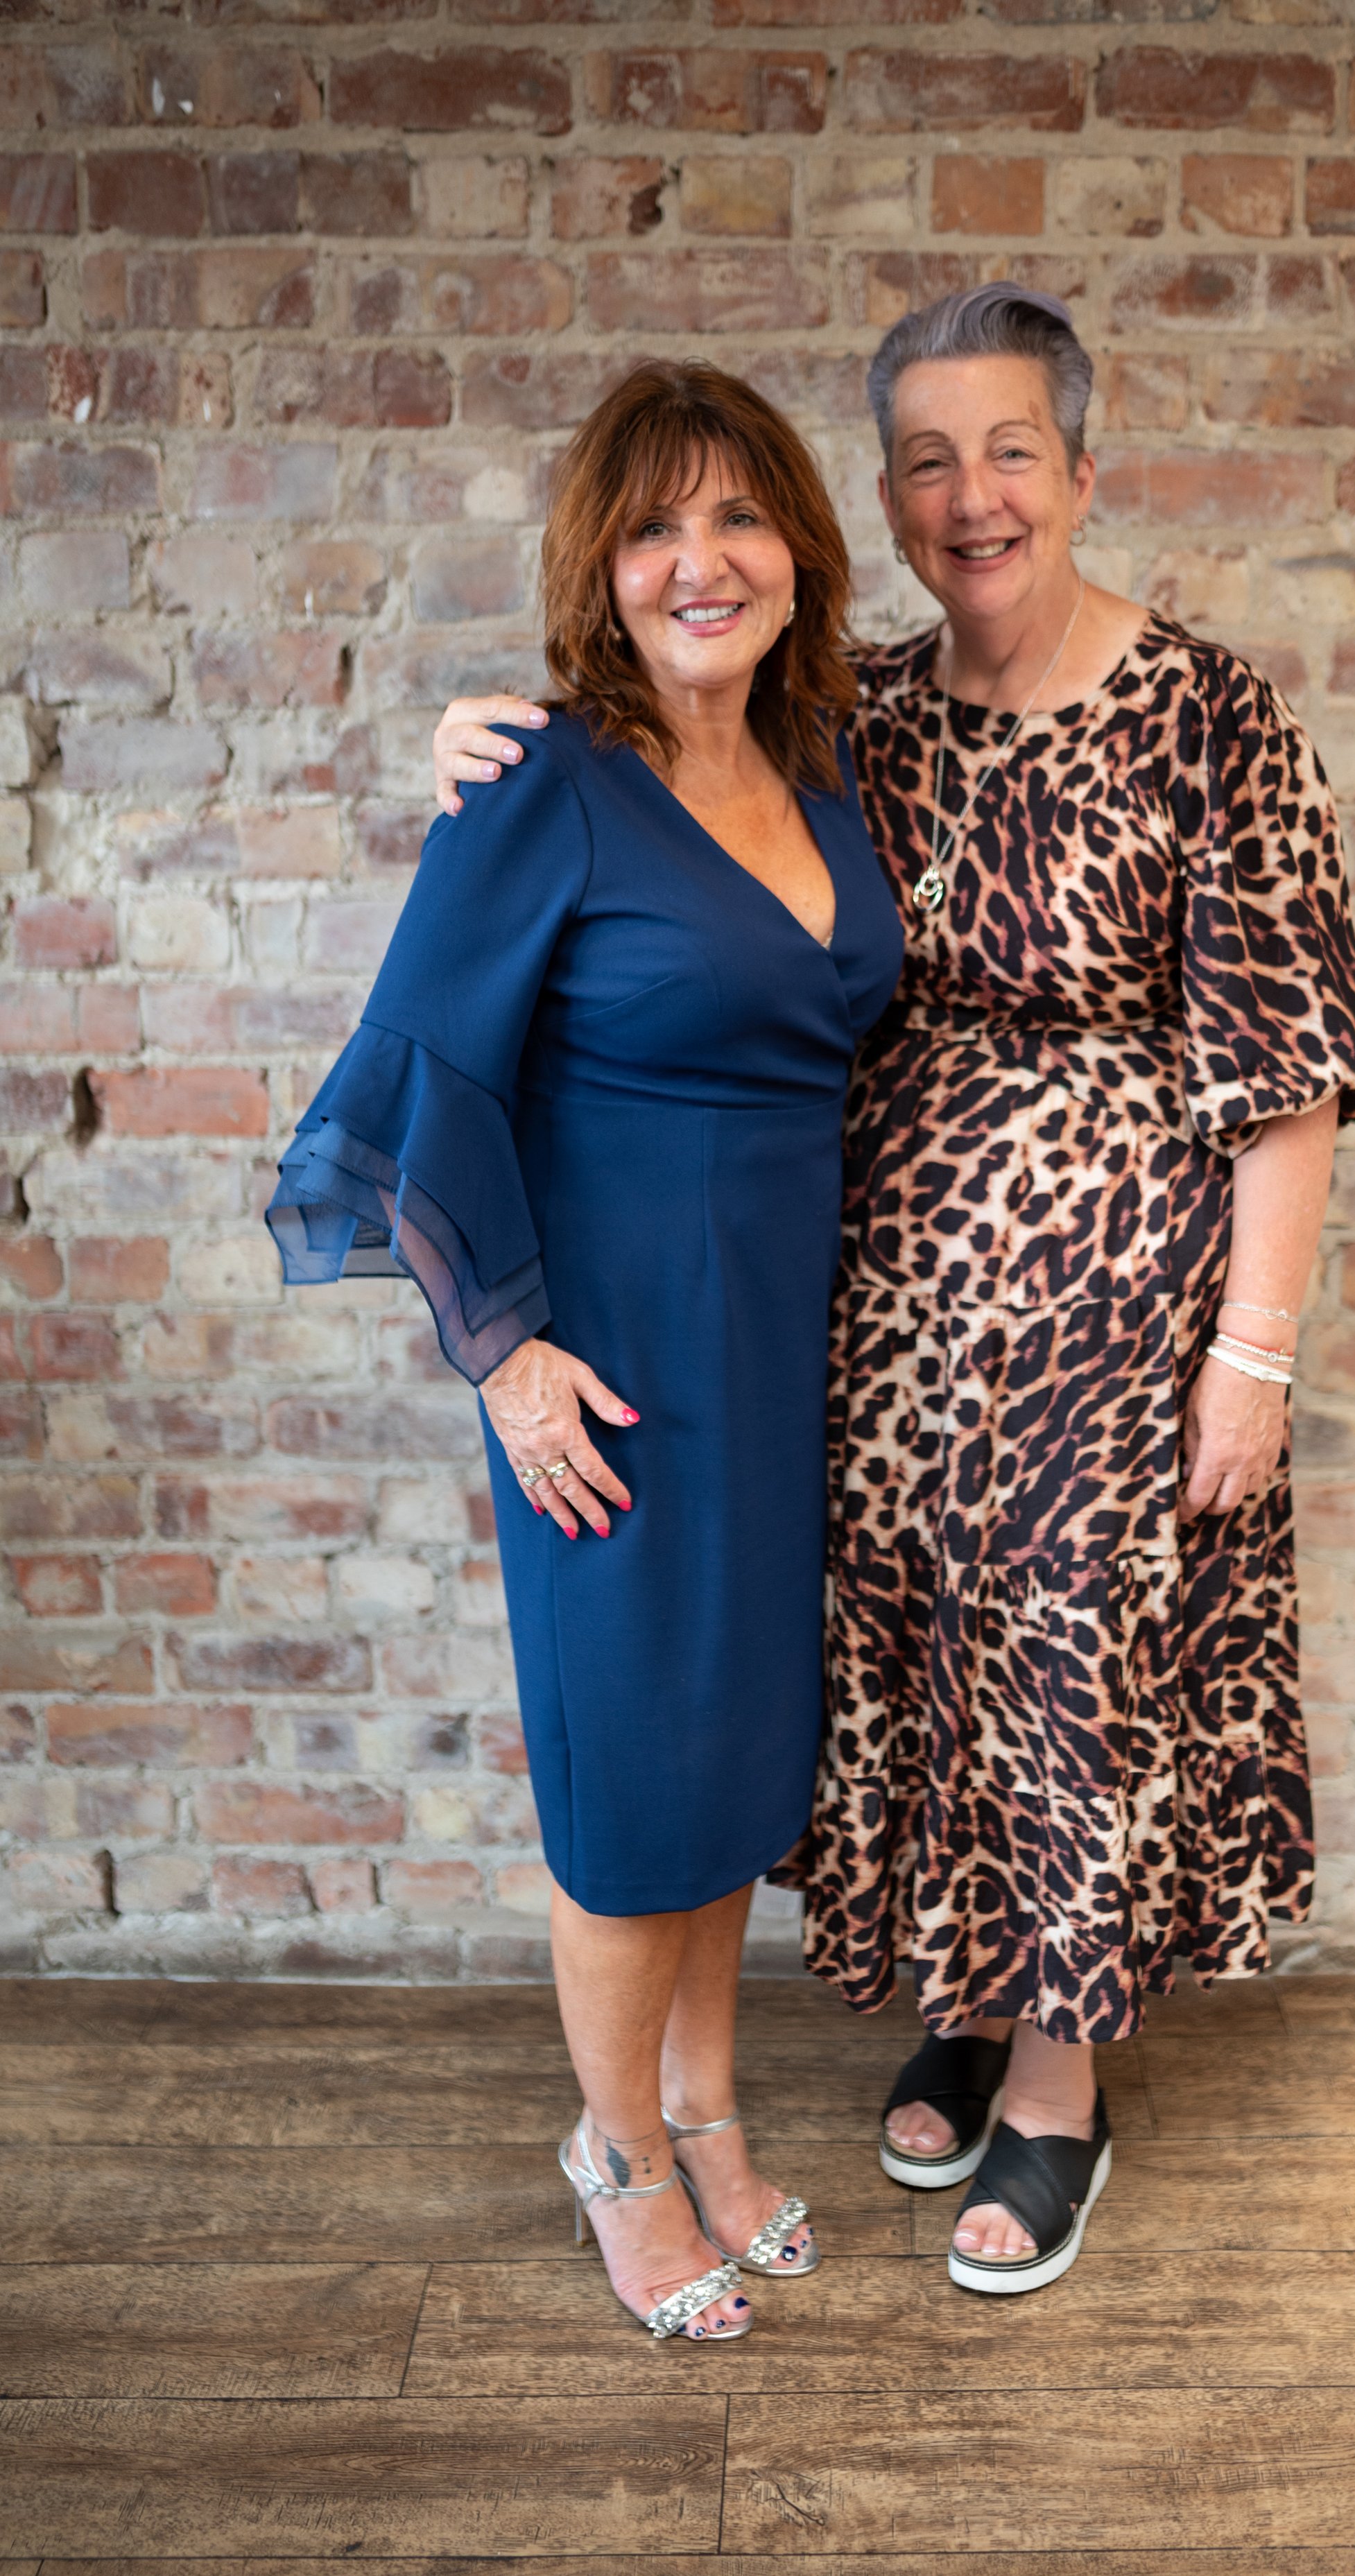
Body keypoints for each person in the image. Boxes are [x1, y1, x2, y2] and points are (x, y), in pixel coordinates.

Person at [430, 285, 1355, 2298]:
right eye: (928, 458)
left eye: (1010, 450)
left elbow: (1287, 1067)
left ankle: (1058, 2084)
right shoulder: (841, 711)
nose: (972, 496)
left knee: (1075, 1691)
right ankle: (963, 2000)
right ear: (880, 490)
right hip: (855, 1322)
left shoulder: (1210, 713)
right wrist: (464, 737)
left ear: (1080, 465)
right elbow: (641, 805)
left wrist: (1255, 1350)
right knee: (928, 1692)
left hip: (1122, 1319)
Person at [269, 361, 904, 2342]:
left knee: (728, 1765)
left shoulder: (823, 776)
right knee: (631, 1794)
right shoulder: (538, 778)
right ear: (601, 570)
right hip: (610, 1377)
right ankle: (615, 2152)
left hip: (776, 1356)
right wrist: (506, 1359)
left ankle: (705, 2107)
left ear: (798, 546)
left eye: (737, 519)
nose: (698, 561)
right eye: (653, 527)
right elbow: (413, 1077)